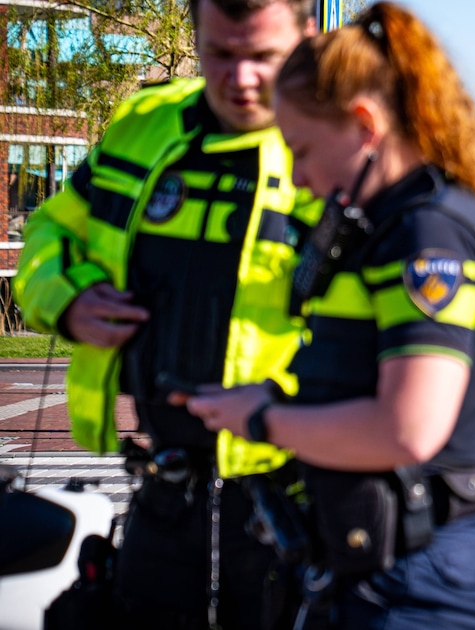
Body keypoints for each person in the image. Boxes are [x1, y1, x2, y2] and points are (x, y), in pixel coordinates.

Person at [187, 4, 475, 628]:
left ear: (364, 125)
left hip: (409, 580)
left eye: (302, 150)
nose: (297, 178)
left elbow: (408, 429)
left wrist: (262, 419)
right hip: (383, 564)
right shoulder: (406, 220)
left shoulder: (425, 234)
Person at [13, 0, 319, 626]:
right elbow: (51, 232)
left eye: (262, 56)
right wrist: (69, 297)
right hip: (165, 485)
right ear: (195, 33)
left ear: (307, 33)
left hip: (298, 494)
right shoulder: (145, 124)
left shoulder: (345, 142)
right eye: (220, 54)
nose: (240, 79)